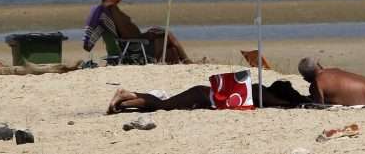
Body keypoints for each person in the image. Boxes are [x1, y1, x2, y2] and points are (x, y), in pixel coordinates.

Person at [83, 0, 192, 64]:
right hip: (134, 51)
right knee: (166, 34)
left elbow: (125, 32)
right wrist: (147, 35)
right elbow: (128, 34)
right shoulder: (111, 10)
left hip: (131, 46)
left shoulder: (103, 11)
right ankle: (187, 61)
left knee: (170, 49)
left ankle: (179, 66)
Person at [107, 79, 309, 114]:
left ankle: (123, 104)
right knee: (164, 106)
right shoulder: (264, 95)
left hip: (203, 93)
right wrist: (291, 103)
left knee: (165, 105)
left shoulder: (260, 88)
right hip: (201, 96)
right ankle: (126, 94)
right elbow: (277, 103)